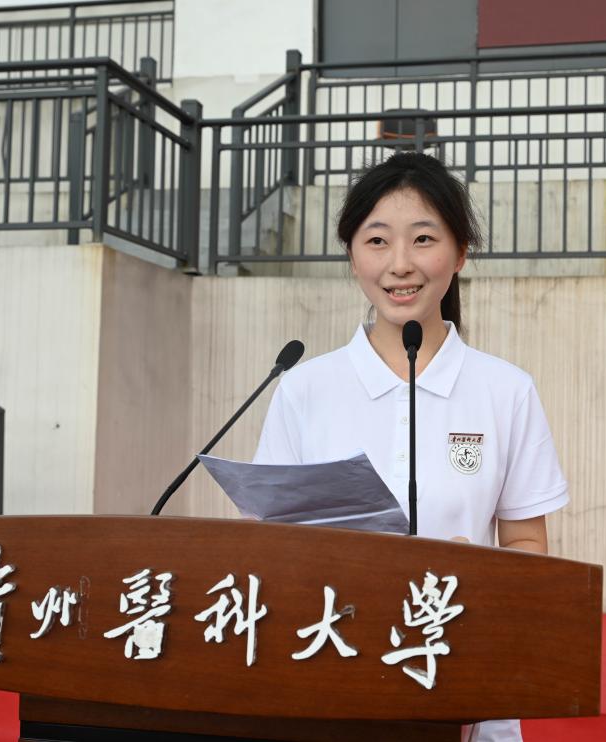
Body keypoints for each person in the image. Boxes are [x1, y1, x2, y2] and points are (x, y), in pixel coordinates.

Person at [252, 152, 569, 742]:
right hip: (329, 681)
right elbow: (269, 548)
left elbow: (527, 542)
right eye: (377, 241)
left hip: (465, 687)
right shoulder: (303, 389)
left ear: (461, 252)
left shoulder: (506, 390)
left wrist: (479, 577)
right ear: (352, 256)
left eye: (423, 239)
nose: (400, 264)